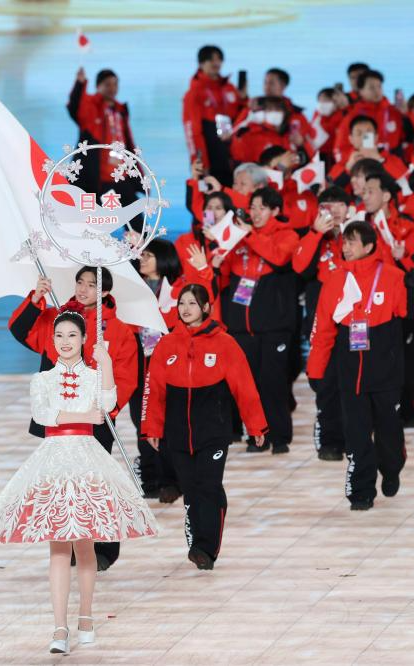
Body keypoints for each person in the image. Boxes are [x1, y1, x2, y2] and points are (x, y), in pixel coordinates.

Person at [0, 304, 158, 654]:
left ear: (84, 339)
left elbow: (107, 404)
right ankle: (59, 626)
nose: (65, 341)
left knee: (85, 544)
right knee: (58, 546)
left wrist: (106, 364)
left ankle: (86, 617)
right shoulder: (42, 380)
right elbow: (43, 414)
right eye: (59, 335)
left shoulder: (93, 376)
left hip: (87, 461)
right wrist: (83, 415)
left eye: (72, 335)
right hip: (53, 461)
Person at [7, 266, 140, 570]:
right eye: (80, 282)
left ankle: (104, 550)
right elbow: (21, 331)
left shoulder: (118, 330)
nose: (83, 288)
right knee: (62, 484)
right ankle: (68, 542)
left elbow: (126, 376)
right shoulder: (60, 320)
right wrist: (35, 299)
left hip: (95, 420)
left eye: (91, 284)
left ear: (105, 292)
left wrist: (104, 411)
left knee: (96, 485)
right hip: (61, 422)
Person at [143, 284, 267, 570]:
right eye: (182, 303)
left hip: (213, 431)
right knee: (191, 489)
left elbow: (245, 388)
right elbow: (154, 390)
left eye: (192, 303)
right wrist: (152, 428)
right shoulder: (166, 344)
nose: (186, 309)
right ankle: (198, 541)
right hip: (178, 433)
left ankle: (205, 548)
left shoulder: (225, 343)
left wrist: (256, 426)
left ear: (206, 308)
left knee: (208, 486)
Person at [307, 221, 414, 510]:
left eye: (352, 242)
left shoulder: (392, 276)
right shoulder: (335, 279)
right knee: (356, 432)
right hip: (349, 371)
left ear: (369, 246)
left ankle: (392, 468)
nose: (345, 247)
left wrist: (413, 289)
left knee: (388, 429)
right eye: (344, 242)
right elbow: (323, 330)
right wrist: (316, 369)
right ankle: (361, 492)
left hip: (385, 368)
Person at [218, 186, 299, 453]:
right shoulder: (241, 237)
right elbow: (225, 272)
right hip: (241, 326)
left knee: (273, 383)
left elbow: (278, 257)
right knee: (247, 386)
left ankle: (280, 437)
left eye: (261, 208)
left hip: (274, 326)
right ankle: (256, 436)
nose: (255, 213)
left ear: (275, 210)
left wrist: (250, 235)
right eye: (252, 207)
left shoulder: (287, 235)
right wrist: (219, 252)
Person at [132, 239, 209, 503]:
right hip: (139, 366)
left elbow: (202, 303)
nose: (143, 259)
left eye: (149, 255)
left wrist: (203, 271)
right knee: (143, 423)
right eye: (141, 255)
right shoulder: (133, 287)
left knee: (170, 425)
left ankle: (172, 481)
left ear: (164, 258)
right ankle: (150, 480)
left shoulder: (179, 289)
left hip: (171, 367)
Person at [294, 186, 352, 460]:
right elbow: (299, 267)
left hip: (354, 321)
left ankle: (353, 437)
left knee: (353, 383)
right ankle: (329, 441)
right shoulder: (315, 237)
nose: (334, 210)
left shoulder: (357, 234)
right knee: (326, 384)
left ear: (348, 207)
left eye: (339, 204)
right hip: (323, 322)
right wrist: (316, 234)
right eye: (327, 205)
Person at [67, 67, 138, 202]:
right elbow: (75, 107)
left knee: (136, 214)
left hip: (121, 176)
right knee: (94, 215)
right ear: (98, 86)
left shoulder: (120, 111)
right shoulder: (92, 108)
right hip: (98, 180)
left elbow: (128, 144)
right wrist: (80, 84)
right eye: (107, 84)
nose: (112, 88)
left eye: (115, 84)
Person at [182, 45, 246, 186]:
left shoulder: (229, 88)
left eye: (219, 59)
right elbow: (193, 132)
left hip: (232, 156)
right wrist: (201, 162)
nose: (216, 63)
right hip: (211, 157)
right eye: (211, 60)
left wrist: (245, 100)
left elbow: (242, 118)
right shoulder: (194, 94)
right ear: (201, 63)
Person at [334, 70, 406, 157]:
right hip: (364, 162)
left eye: (379, 86)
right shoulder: (352, 116)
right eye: (371, 87)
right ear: (360, 91)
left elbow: (407, 139)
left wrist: (407, 114)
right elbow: (341, 149)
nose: (377, 91)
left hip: (391, 161)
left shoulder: (393, 112)